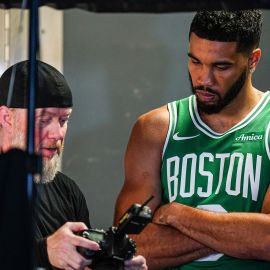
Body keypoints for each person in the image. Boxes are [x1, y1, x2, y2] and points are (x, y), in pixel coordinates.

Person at [114, 9, 270, 270]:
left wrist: (178, 214)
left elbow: (266, 241)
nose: (203, 79)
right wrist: (239, 233)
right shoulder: (155, 130)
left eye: (221, 66)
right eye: (195, 61)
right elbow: (127, 247)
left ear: (252, 60)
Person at [0, 60, 147, 270]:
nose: (57, 134)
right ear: (6, 117)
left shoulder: (67, 191)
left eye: (63, 120)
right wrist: (44, 253)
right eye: (44, 120)